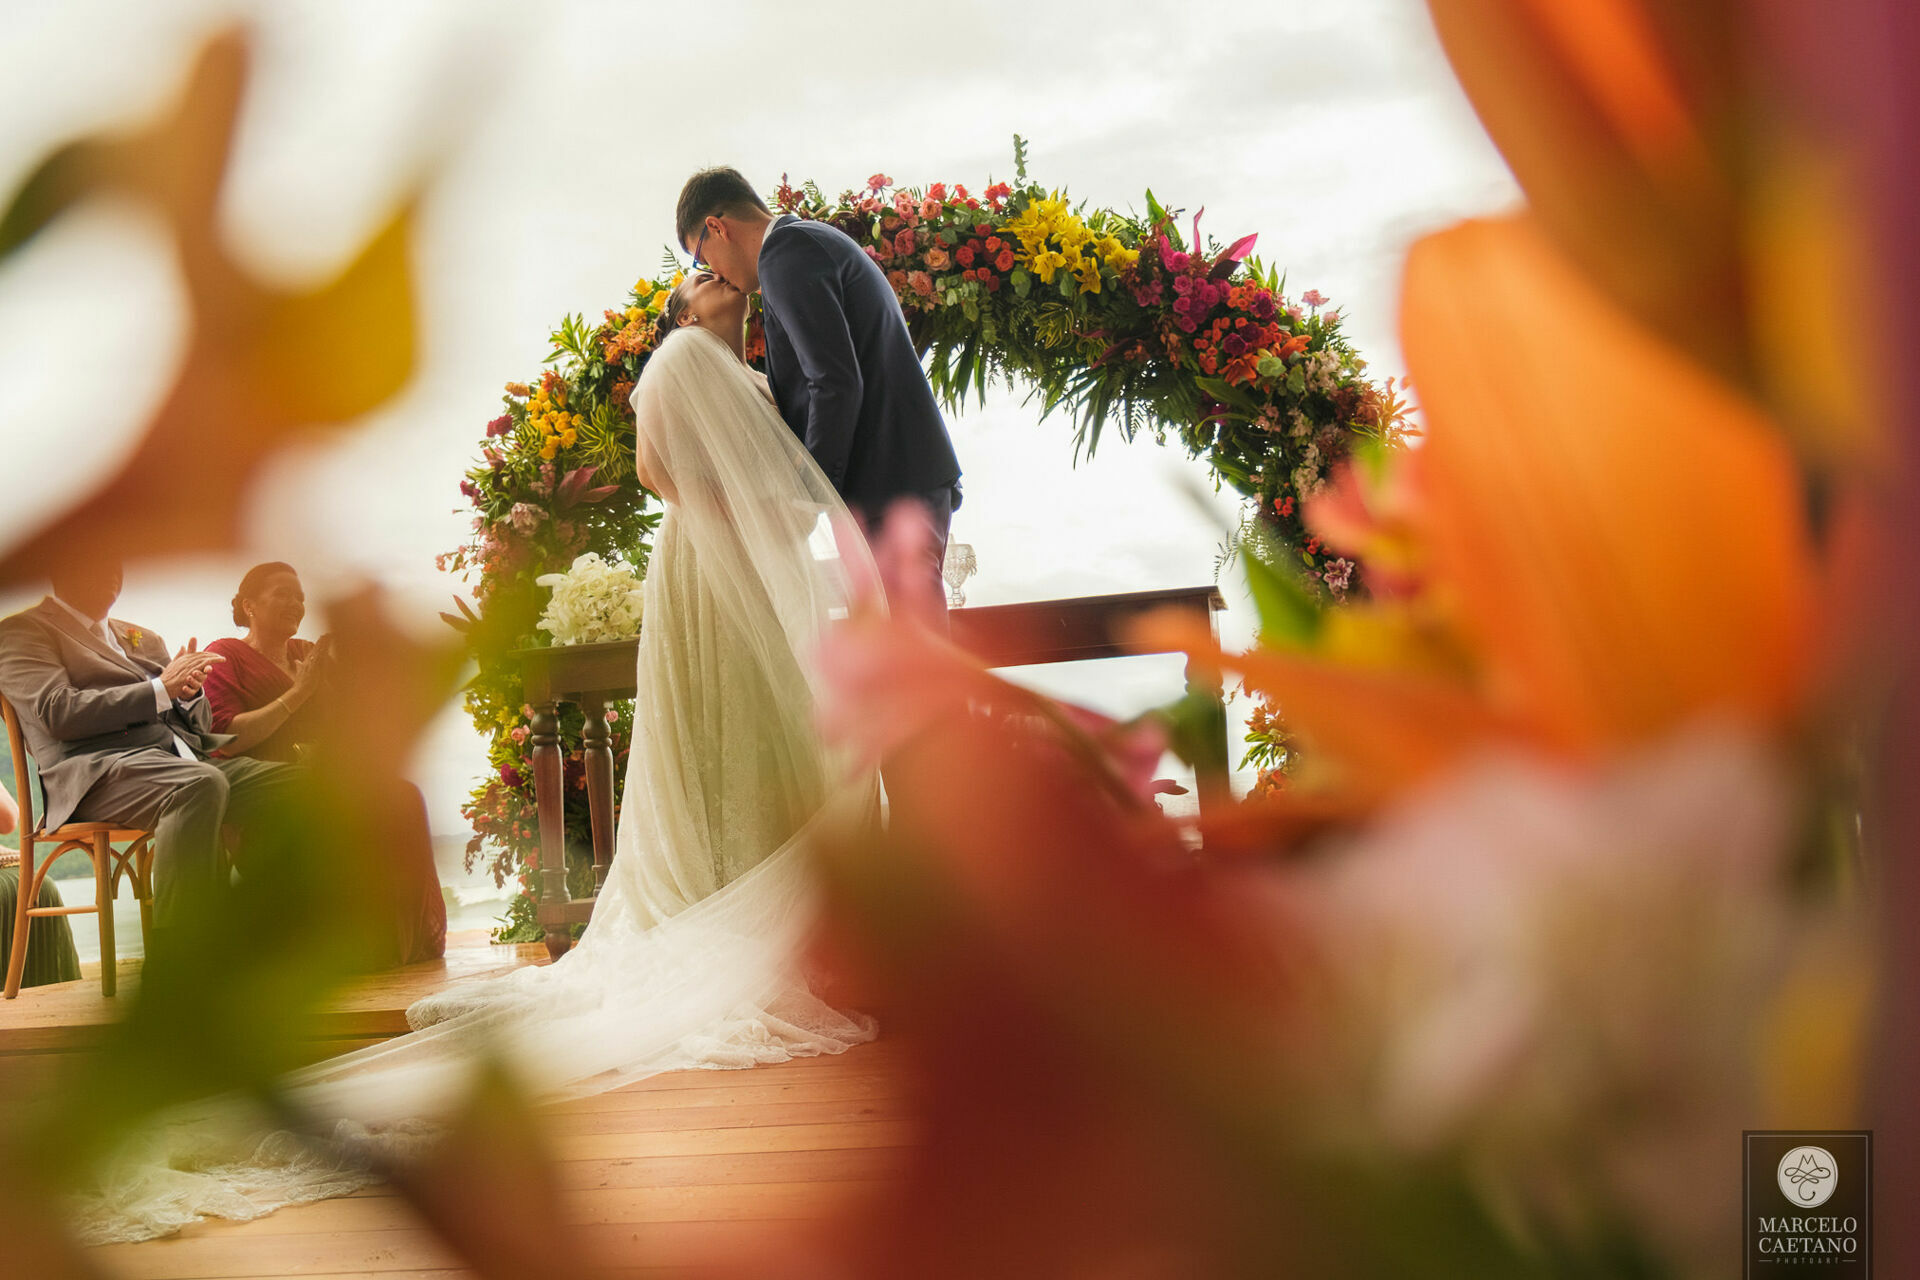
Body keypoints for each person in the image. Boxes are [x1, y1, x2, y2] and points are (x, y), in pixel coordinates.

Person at [71, 269, 884, 1244]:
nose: (718, 281)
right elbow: (655, 473)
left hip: (747, 566)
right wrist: (726, 508)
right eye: (702, 275)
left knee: (765, 729)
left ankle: (779, 894)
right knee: (708, 733)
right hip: (705, 563)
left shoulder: (753, 373)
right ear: (680, 309)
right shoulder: (675, 361)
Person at [674, 166, 963, 630]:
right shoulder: (806, 242)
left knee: (911, 650)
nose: (713, 273)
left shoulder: (785, 254)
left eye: (701, 258)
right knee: (903, 646)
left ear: (716, 227)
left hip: (886, 486)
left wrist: (811, 496)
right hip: (899, 477)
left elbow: (833, 382)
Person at [0, 562, 303, 952]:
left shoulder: (141, 636)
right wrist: (162, 689)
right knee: (198, 786)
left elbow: (196, 725)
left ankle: (291, 933)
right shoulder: (22, 631)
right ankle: (177, 957)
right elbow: (57, 712)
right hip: (95, 774)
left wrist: (189, 694)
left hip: (181, 762)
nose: (112, 567)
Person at [200, 562, 446, 966]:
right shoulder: (225, 654)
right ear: (249, 605)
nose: (295, 603)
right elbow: (227, 737)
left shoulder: (307, 652)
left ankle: (397, 942)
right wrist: (299, 693)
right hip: (265, 790)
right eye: (282, 594)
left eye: (300, 597)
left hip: (323, 776)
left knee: (402, 796)